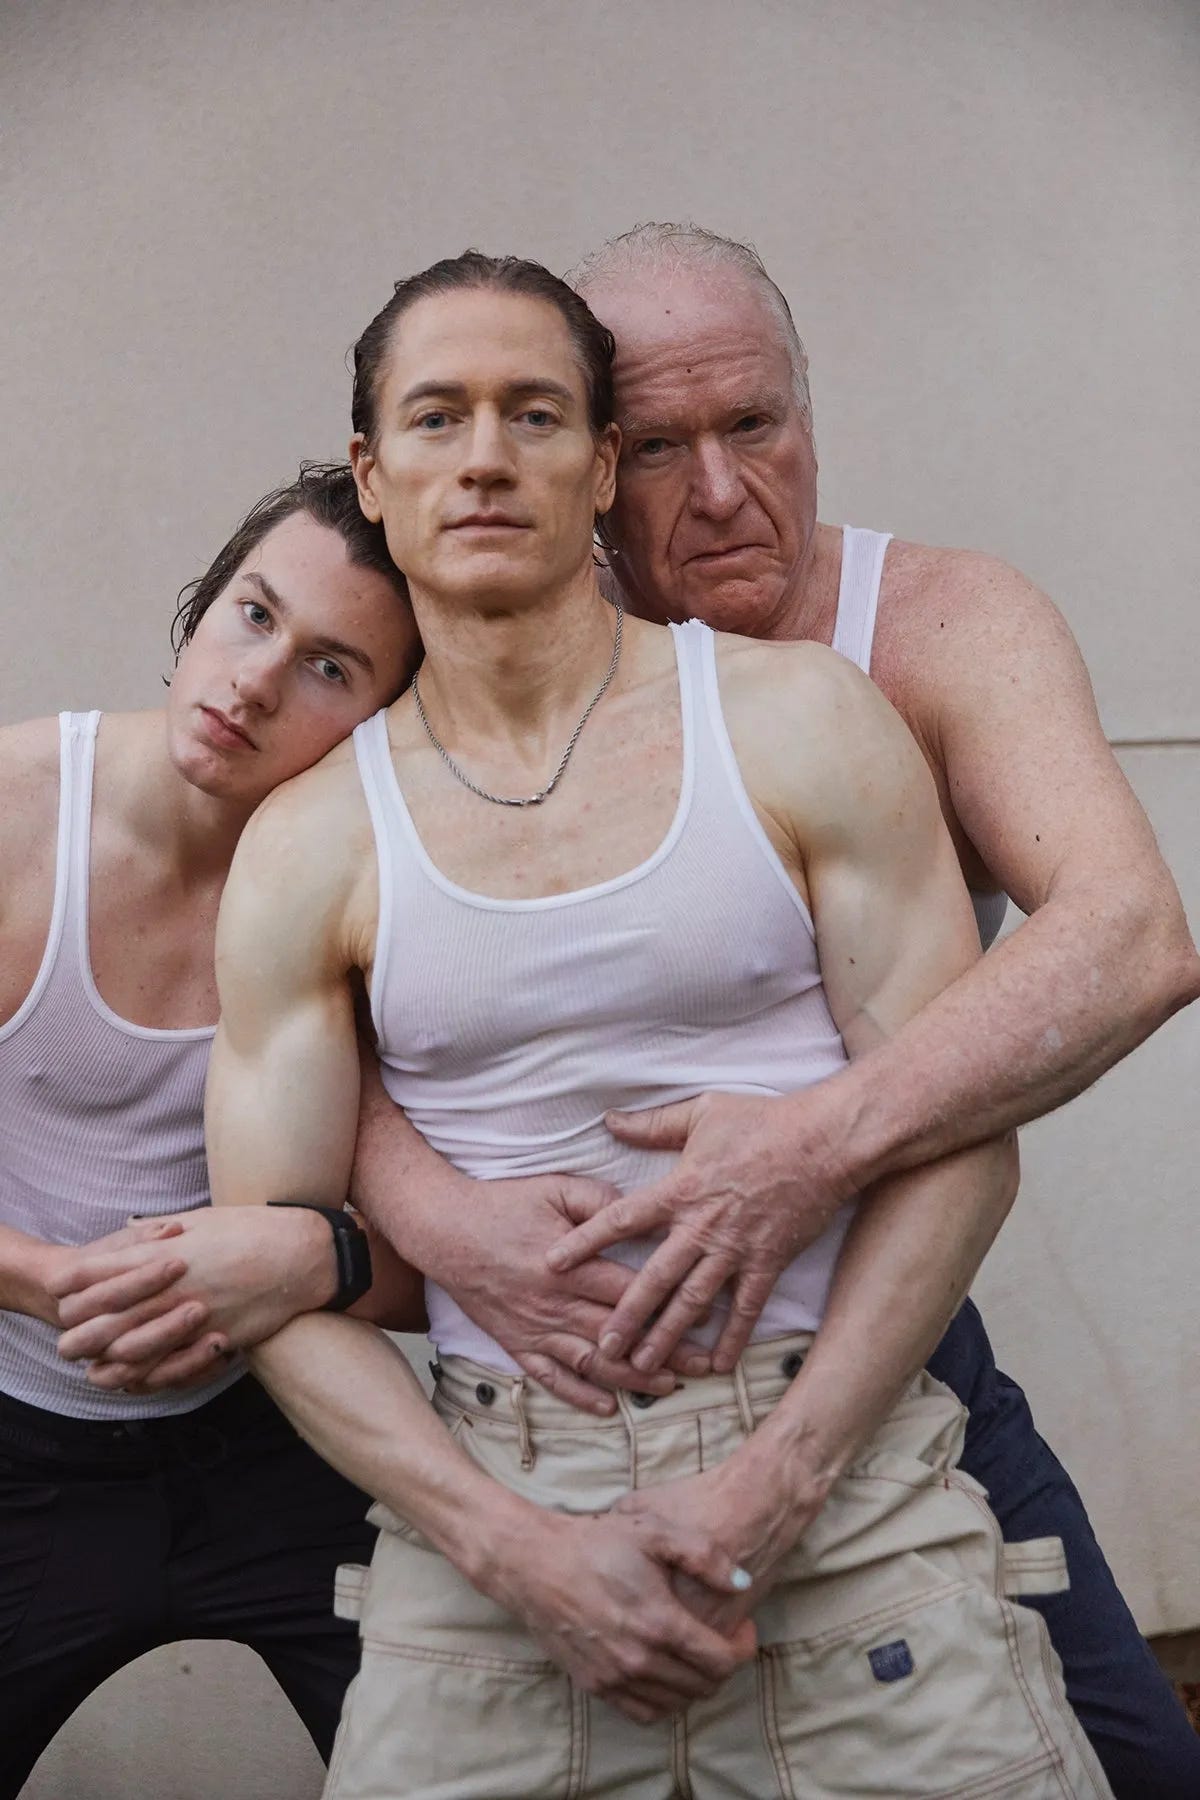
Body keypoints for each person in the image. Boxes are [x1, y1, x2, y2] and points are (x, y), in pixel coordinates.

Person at [194, 252, 1111, 1797]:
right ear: (375, 470)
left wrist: (779, 1480)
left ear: (601, 463)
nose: (488, 456)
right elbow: (270, 1265)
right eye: (438, 417)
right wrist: (518, 1549)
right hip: (487, 1530)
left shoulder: (801, 720)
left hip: (841, 1482)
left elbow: (959, 1136)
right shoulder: (308, 844)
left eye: (536, 414)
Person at [0, 463, 423, 1798]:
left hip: (270, 1425)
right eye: (253, 614)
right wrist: (47, 1281)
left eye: (330, 668)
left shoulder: (385, 897)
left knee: (475, 1748)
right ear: (202, 608)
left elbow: (450, 1259)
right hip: (17, 1434)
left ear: (385, 725)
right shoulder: (18, 809)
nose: (255, 681)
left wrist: (310, 1266)